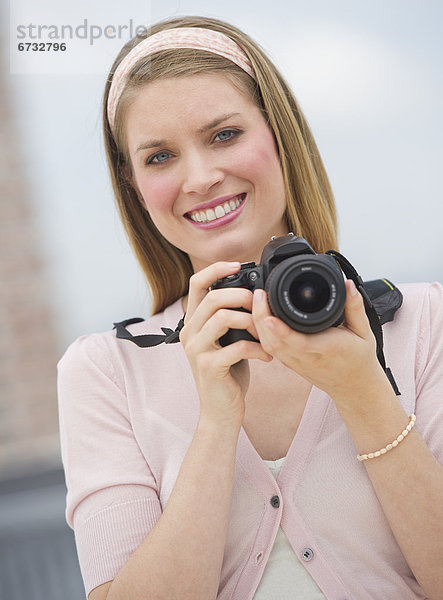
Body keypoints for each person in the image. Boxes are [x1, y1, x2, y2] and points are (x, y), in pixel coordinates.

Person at [57, 15, 443, 600]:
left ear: (278, 136)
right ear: (134, 185)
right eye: (159, 157)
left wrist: (365, 394)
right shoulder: (105, 372)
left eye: (224, 135)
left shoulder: (422, 323)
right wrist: (215, 424)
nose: (202, 177)